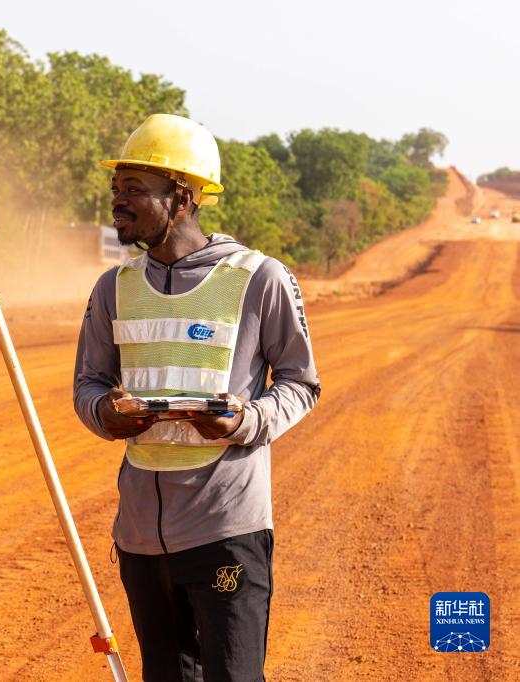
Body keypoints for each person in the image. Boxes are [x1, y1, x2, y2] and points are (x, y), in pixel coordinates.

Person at [73, 114, 320, 681]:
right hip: (140, 537)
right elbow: (89, 384)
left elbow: (301, 382)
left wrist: (245, 421)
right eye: (116, 187)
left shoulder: (260, 278)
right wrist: (105, 413)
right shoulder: (113, 287)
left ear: (182, 196)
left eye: (135, 188)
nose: (118, 200)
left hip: (226, 529)